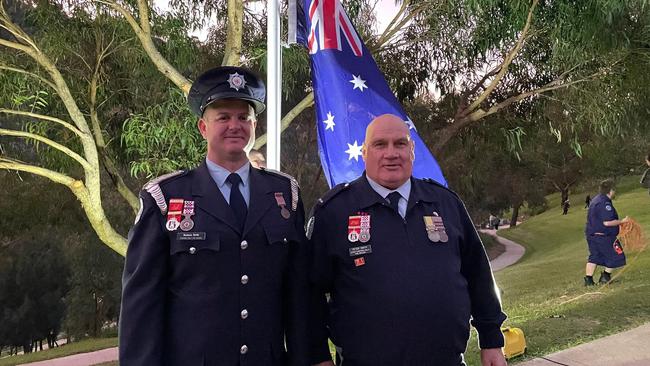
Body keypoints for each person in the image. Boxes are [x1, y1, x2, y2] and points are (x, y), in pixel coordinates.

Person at [119, 66, 310, 366]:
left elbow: (299, 295)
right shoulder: (165, 198)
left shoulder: (285, 194)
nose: (235, 125)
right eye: (223, 117)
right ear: (203, 128)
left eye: (243, 117)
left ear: (254, 126)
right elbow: (141, 304)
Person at [308, 114, 507, 366]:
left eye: (400, 144)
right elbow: (310, 295)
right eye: (380, 144)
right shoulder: (334, 212)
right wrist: (318, 356)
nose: (391, 153)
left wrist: (491, 340)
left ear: (412, 151)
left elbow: (478, 274)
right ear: (364, 153)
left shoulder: (445, 203)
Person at [584, 179, 628, 286]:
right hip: (604, 237)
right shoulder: (604, 203)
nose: (615, 192)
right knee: (616, 255)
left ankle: (588, 280)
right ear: (611, 190)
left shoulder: (596, 200)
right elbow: (607, 223)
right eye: (614, 190)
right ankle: (605, 277)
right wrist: (622, 222)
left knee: (594, 256)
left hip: (592, 235)